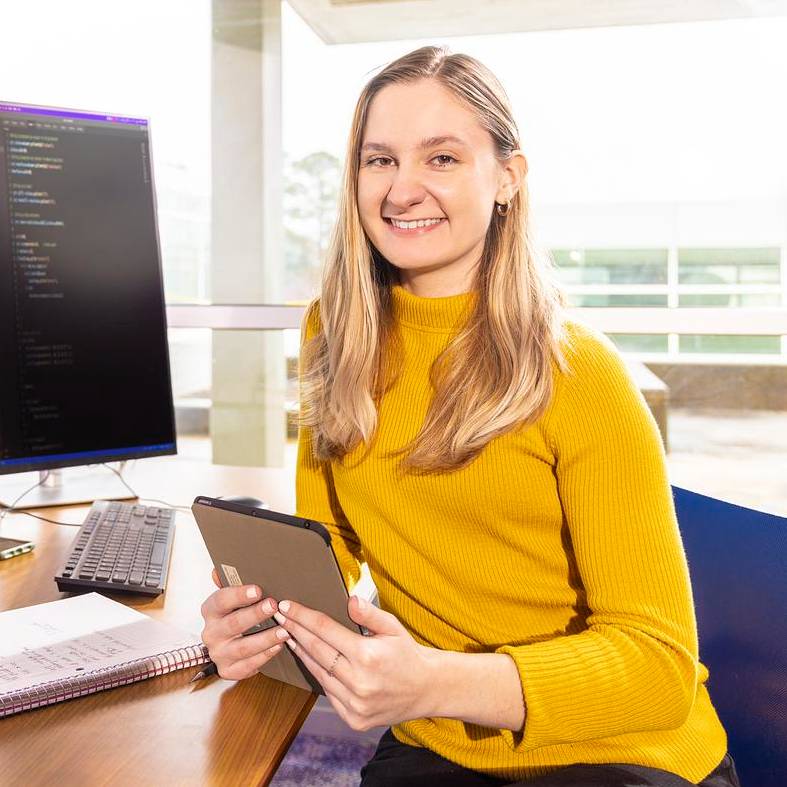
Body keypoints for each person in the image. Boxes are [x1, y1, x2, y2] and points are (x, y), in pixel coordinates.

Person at [199, 46, 740, 787]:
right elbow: (329, 541)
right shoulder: (335, 330)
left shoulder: (579, 371)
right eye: (378, 160)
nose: (402, 189)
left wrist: (431, 680)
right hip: (442, 738)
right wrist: (258, 622)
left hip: (618, 749)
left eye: (442, 158)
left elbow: (657, 667)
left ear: (506, 179)